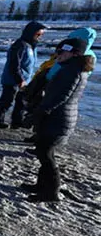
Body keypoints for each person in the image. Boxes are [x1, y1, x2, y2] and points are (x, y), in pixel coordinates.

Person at [21, 37, 93, 202]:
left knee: (46, 155)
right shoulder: (70, 68)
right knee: (43, 152)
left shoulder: (72, 71)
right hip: (56, 118)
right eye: (58, 50)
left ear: (75, 53)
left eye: (63, 50)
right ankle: (41, 186)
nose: (58, 54)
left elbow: (60, 97)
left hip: (58, 119)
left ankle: (51, 193)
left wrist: (38, 113)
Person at [22, 27, 96, 144]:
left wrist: (47, 78)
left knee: (47, 112)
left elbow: (62, 73)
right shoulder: (73, 53)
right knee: (43, 111)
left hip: (57, 85)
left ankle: (42, 139)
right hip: (54, 84)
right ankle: (39, 136)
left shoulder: (78, 57)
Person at [0, 21, 47, 128]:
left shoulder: (32, 46)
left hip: (26, 79)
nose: (39, 37)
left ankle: (17, 121)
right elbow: (14, 63)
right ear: (31, 33)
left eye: (41, 35)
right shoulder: (20, 45)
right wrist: (19, 79)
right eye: (38, 34)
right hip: (13, 79)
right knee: (7, 100)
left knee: (21, 102)